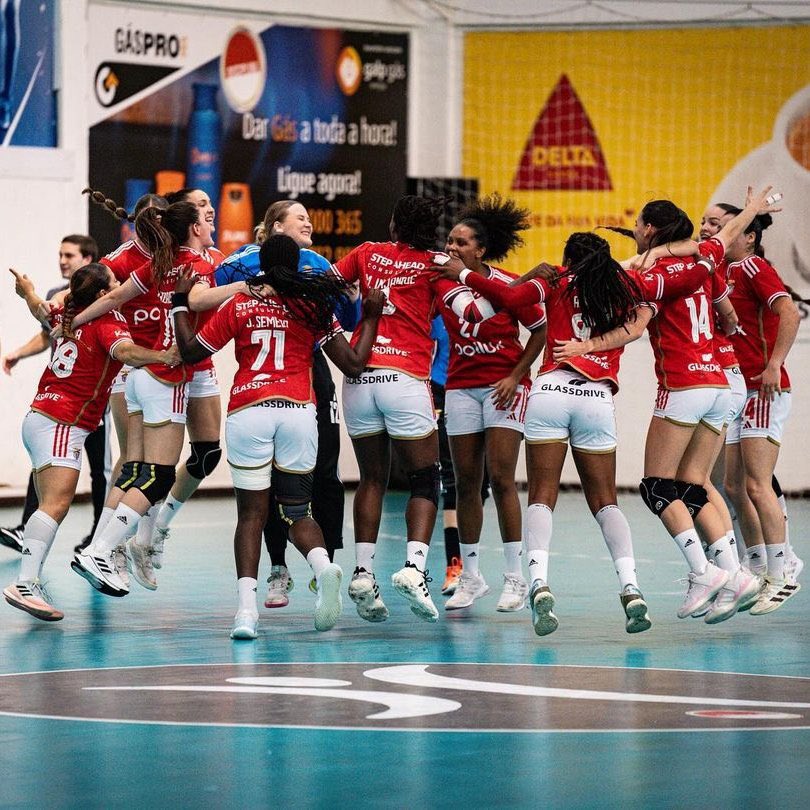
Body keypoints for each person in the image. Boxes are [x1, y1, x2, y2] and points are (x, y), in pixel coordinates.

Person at [557, 189, 779, 622]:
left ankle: (704, 573)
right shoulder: (705, 259)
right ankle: (734, 576)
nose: (635, 229)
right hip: (719, 382)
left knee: (657, 487)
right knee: (693, 486)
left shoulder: (650, 278)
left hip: (684, 384)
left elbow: (631, 329)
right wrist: (752, 207)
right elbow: (727, 234)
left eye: (639, 224)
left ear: (651, 229)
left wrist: (585, 346)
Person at [440, 232, 653, 634]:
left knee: (541, 496)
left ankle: (537, 583)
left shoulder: (554, 279)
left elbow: (507, 299)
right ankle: (631, 587)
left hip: (551, 391)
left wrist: (466, 275)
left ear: (567, 258)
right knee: (606, 502)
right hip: (596, 396)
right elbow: (640, 320)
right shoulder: (623, 288)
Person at [171, 234, 384, 638]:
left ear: (261, 264)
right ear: (300, 263)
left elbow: (189, 350)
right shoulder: (314, 306)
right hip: (299, 413)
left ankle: (247, 614)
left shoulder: (241, 302)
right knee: (297, 510)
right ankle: (323, 567)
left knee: (252, 514)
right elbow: (354, 365)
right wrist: (370, 316)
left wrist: (180, 301)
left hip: (249, 410)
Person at [65, 198, 244, 596]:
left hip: (142, 376)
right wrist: (243, 287)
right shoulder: (195, 265)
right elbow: (195, 300)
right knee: (157, 474)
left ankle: (110, 546)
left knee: (144, 469)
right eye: (203, 213)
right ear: (194, 228)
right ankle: (103, 549)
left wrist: (69, 322)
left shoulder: (161, 263)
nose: (210, 216)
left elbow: (112, 298)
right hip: (167, 373)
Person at [332, 195, 485, 624]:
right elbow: (470, 308)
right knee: (425, 479)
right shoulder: (438, 264)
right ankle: (415, 569)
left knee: (372, 478)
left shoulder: (367, 253)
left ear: (395, 225)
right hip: (405, 379)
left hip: (360, 378)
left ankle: (363, 571)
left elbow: (326, 283)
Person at [2, 265, 176, 621]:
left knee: (48, 506)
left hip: (40, 417)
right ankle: (23, 583)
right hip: (62, 423)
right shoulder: (105, 322)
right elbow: (126, 353)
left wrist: (27, 290)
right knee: (55, 505)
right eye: (114, 283)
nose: (119, 287)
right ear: (101, 295)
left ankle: (29, 580)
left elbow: (38, 307)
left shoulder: (67, 315)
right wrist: (162, 356)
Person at [214, 200, 359, 609]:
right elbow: (349, 349)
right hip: (295, 388)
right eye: (300, 216)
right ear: (276, 226)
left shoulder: (317, 266)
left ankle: (319, 566)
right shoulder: (243, 264)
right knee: (286, 492)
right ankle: (285, 567)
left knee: (318, 477)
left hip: (282, 385)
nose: (308, 221)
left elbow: (349, 314)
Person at [437, 194, 546, 613]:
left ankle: (515, 578)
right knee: (466, 483)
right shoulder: (447, 282)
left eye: (461, 243)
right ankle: (471, 577)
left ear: (480, 250)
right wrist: (517, 287)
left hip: (506, 387)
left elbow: (538, 331)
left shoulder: (501, 279)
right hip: (461, 387)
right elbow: (475, 310)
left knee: (501, 477)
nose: (451, 249)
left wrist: (516, 375)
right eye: (449, 241)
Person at [0, 234, 110, 554]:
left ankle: (98, 536)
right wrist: (18, 353)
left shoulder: (107, 302)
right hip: (62, 401)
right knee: (44, 465)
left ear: (88, 261)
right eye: (60, 254)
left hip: (92, 399)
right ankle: (26, 529)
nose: (62, 260)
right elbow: (47, 332)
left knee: (100, 469)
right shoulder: (56, 297)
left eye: (69, 255)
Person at [720, 210, 801, 614]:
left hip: (763, 388)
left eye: (719, 224)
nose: (713, 230)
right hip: (738, 390)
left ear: (749, 236)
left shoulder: (752, 266)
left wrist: (774, 364)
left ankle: (784, 569)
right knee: (734, 487)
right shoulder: (720, 268)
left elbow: (789, 312)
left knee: (757, 485)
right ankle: (759, 568)